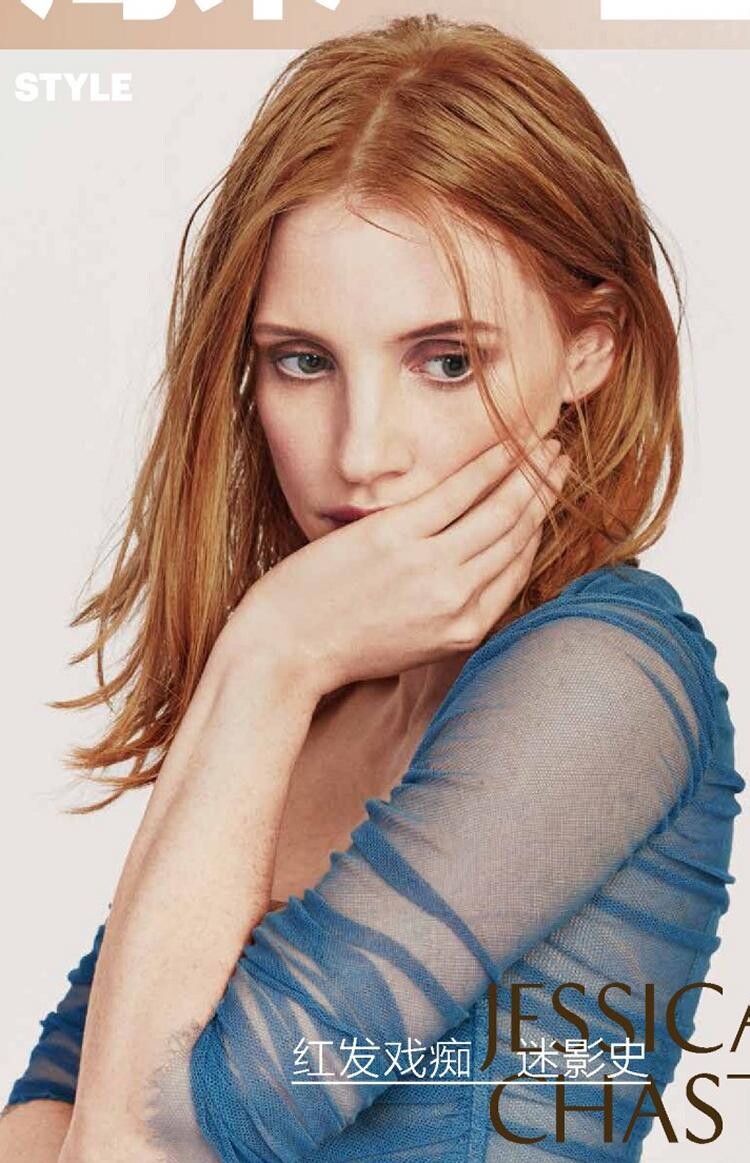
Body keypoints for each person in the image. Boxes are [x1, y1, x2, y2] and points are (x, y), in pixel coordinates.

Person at [0, 13, 744, 1163]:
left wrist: (268, 652)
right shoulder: (317, 684)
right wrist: (276, 666)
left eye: (448, 360)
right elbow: (50, 1107)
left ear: (589, 347)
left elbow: (134, 1140)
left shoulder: (601, 678)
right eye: (302, 361)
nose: (361, 453)